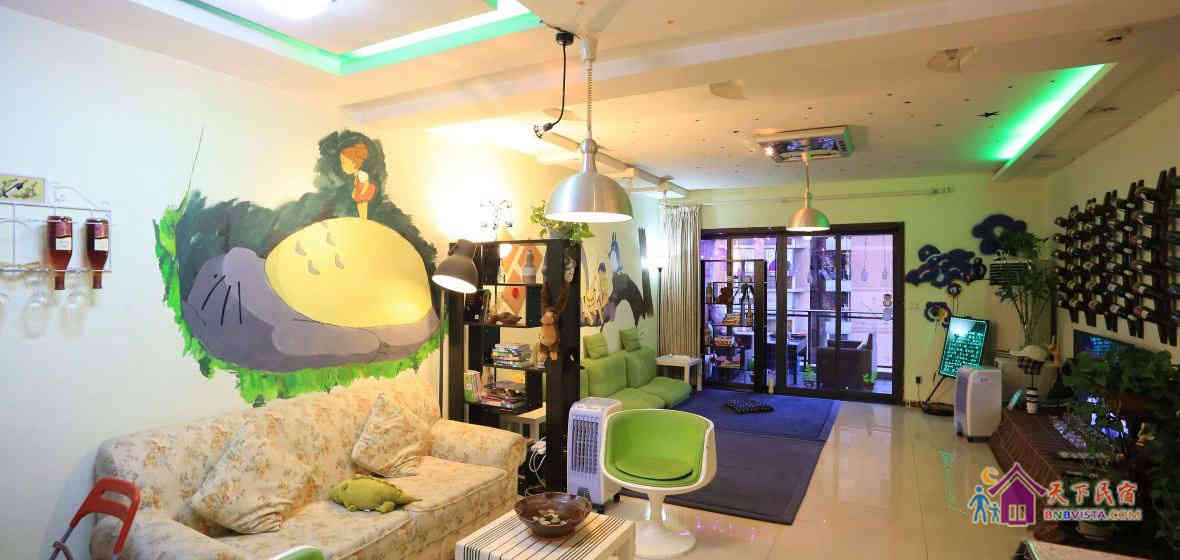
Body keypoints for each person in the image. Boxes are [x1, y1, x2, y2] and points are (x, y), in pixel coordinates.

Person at [340, 142, 376, 219]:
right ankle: (362, 218)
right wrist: (354, 192)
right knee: (359, 204)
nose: (342, 166)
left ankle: (364, 218)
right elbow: (356, 186)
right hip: (359, 192)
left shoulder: (362, 174)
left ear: (354, 163)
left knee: (363, 205)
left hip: (364, 192)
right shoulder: (356, 175)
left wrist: (362, 192)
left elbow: (366, 184)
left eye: (344, 162)